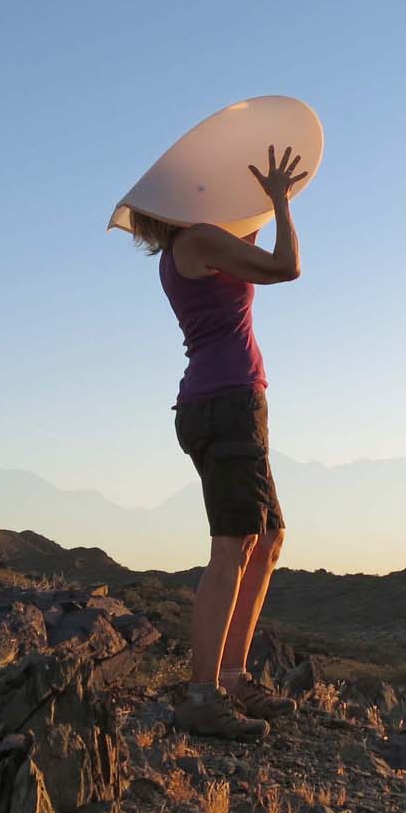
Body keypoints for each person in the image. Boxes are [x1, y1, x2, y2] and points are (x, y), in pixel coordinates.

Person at [127, 145, 308, 740]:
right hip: (225, 402)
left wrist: (260, 195)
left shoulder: (193, 248)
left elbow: (247, 244)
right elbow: (285, 266)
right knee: (233, 543)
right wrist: (281, 202)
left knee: (267, 539)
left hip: (229, 403)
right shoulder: (198, 241)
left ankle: (231, 677)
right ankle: (202, 695)